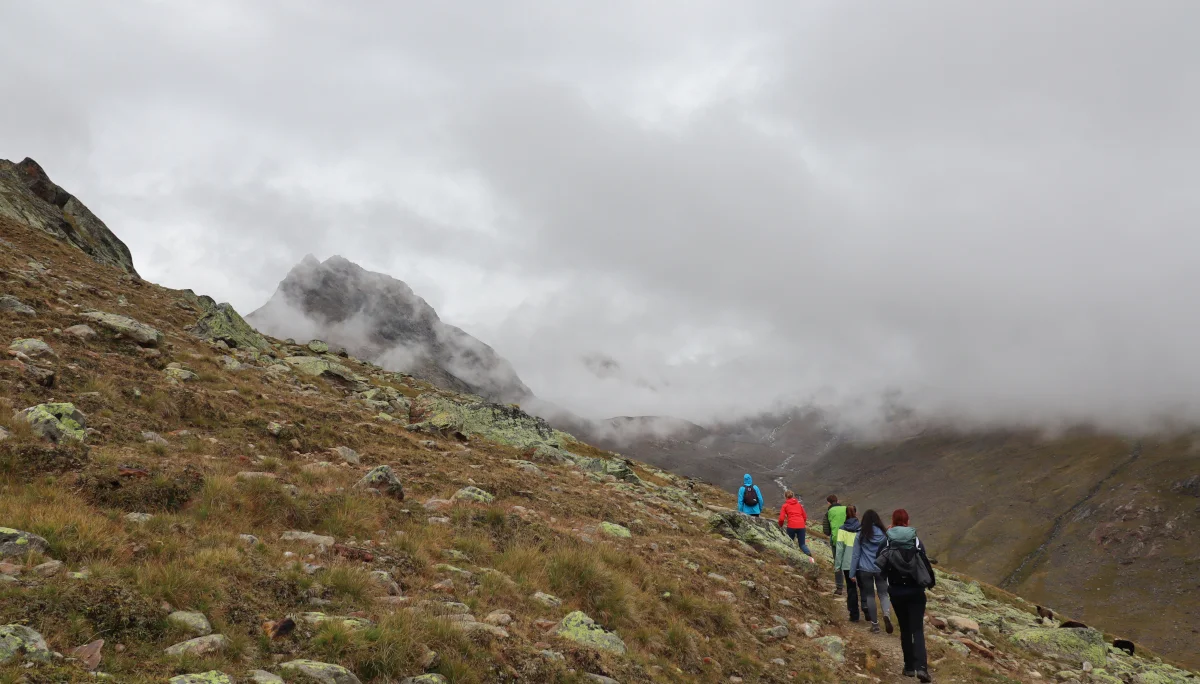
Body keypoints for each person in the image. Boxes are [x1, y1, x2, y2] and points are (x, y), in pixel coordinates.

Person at [878, 509, 935, 683]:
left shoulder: (887, 540)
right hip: (916, 591)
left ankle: (909, 667)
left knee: (904, 628)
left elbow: (878, 561)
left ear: (893, 522)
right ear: (907, 522)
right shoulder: (916, 540)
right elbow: (923, 561)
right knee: (917, 629)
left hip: (896, 591)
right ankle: (922, 668)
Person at [851, 509, 893, 634]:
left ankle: (875, 625)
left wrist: (852, 572)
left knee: (869, 595)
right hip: (881, 568)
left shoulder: (861, 534)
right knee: (884, 594)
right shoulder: (884, 535)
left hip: (865, 569)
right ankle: (886, 614)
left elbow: (855, 555)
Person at [832, 505, 867, 621]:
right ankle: (866, 607)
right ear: (856, 513)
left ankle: (854, 615)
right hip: (861, 563)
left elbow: (840, 549)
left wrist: (837, 565)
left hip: (847, 564)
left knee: (851, 588)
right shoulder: (862, 528)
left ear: (845, 514)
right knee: (863, 586)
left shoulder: (842, 529)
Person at [825, 495, 848, 595]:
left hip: (836, 540)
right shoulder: (846, 509)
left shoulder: (828, 513)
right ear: (838, 501)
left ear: (829, 503)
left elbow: (826, 530)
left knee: (838, 564)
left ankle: (839, 588)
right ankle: (852, 585)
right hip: (849, 539)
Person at [777, 490, 812, 555]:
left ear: (785, 497)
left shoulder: (785, 505)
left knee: (790, 543)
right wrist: (802, 524)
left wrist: (780, 525)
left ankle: (791, 557)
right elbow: (804, 516)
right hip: (801, 526)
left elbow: (781, 519)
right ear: (793, 496)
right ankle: (810, 556)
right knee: (802, 545)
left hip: (791, 526)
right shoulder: (799, 505)